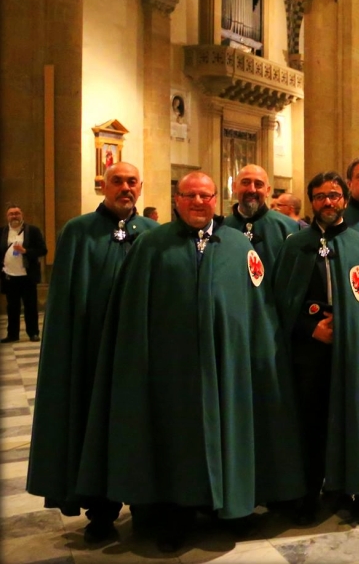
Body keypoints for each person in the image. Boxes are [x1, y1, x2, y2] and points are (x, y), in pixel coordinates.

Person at [76, 172, 305, 552]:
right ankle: (175, 515)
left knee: (228, 430)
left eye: (205, 195)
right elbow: (132, 316)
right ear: (176, 200)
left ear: (216, 199)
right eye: (190, 195)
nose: (198, 202)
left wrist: (258, 359)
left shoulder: (237, 246)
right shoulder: (151, 246)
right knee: (174, 440)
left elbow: (258, 309)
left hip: (228, 367)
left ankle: (228, 507)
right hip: (170, 371)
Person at [26, 164, 156, 543]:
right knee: (93, 428)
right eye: (118, 181)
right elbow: (67, 299)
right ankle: (101, 512)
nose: (126, 188)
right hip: (92, 354)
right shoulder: (78, 231)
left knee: (138, 428)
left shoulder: (152, 234)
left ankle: (145, 503)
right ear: (104, 185)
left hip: (140, 359)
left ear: (141, 188)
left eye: (132, 182)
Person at [272, 172, 359, 526]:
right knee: (311, 422)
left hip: (353, 351)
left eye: (334, 196)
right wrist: (310, 327)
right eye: (320, 196)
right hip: (310, 352)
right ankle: (308, 492)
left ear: (344, 201)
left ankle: (355, 489)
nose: (328, 202)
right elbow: (283, 302)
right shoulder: (294, 245)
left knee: (353, 417)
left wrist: (352, 330)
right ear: (311, 202)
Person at [226, 164, 299, 277]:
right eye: (245, 183)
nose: (252, 189)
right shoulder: (222, 227)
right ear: (234, 187)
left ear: (268, 190)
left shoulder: (288, 227)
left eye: (258, 184)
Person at [3, 204, 47, 343]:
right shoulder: (3, 231)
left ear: (22, 215)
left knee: (30, 306)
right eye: (11, 214)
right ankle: (12, 334)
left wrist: (25, 251)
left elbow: (42, 250)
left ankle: (33, 333)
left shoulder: (32, 231)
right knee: (12, 306)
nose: (14, 216)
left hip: (27, 276)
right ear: (7, 216)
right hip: (9, 276)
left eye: (17, 213)